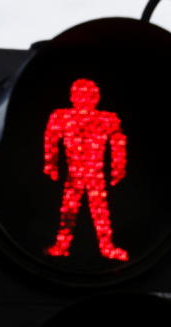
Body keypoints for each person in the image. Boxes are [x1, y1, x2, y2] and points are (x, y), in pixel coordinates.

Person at [43, 78, 129, 261]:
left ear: (97, 97)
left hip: (94, 173)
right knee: (69, 212)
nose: (86, 99)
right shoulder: (61, 117)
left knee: (99, 213)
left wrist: (118, 168)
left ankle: (106, 248)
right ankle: (62, 246)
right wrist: (51, 164)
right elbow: (50, 138)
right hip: (74, 174)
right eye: (81, 95)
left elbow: (118, 144)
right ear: (72, 96)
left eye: (90, 95)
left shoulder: (107, 119)